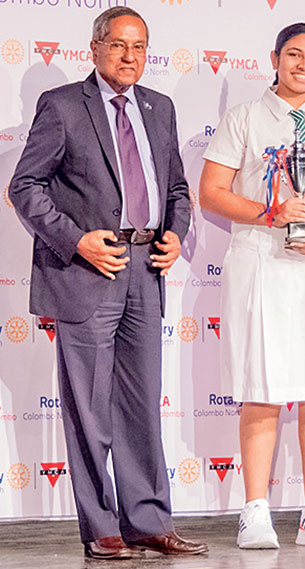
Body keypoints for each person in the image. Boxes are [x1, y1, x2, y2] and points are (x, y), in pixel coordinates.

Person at [8, 7, 207, 560]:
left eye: (139, 47)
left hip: (145, 269)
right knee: (90, 409)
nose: (129, 56)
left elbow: (177, 189)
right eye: (118, 45)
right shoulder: (62, 105)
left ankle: (148, 522)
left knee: (142, 408)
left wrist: (175, 233)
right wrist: (77, 242)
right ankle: (102, 527)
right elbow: (25, 187)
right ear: (94, 48)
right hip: (87, 271)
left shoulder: (160, 107)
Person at [199, 23, 305, 549]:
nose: (304, 66)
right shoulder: (245, 117)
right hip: (263, 264)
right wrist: (269, 213)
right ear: (274, 58)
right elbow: (212, 192)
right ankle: (255, 510)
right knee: (261, 386)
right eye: (295, 55)